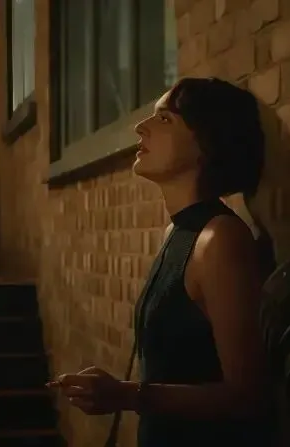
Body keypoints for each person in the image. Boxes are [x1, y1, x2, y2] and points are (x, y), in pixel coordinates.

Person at [47, 77, 272, 446]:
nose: (141, 126)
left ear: (205, 143)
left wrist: (126, 394)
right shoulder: (177, 232)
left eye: (164, 119)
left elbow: (248, 396)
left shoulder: (220, 240)